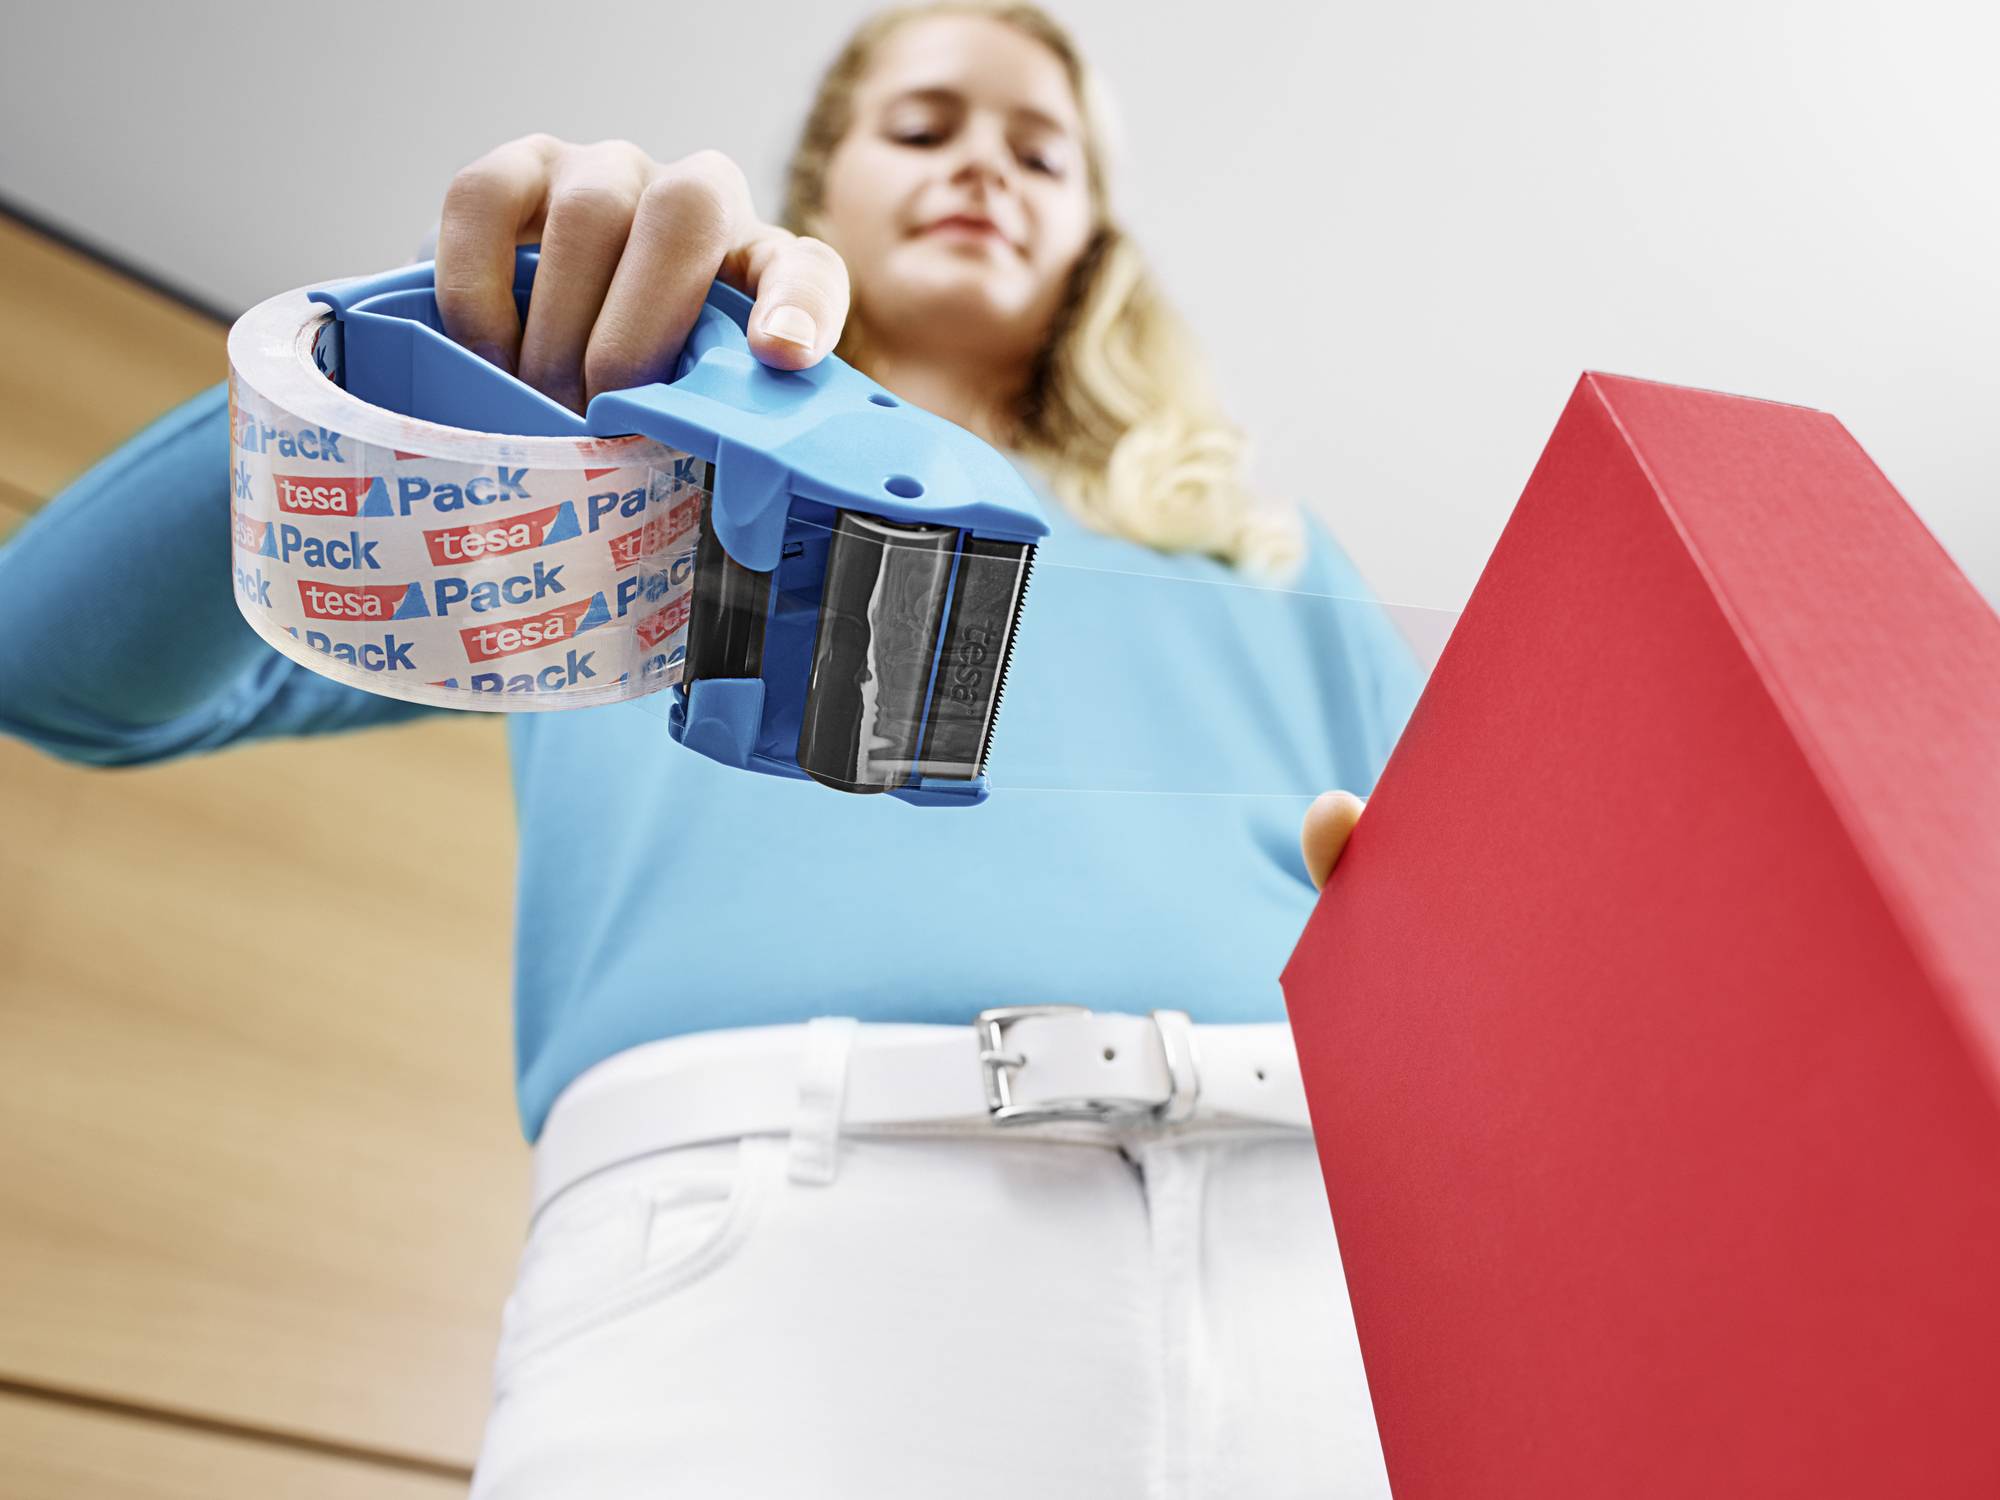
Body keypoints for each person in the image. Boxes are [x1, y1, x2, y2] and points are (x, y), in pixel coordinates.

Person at [0, 3, 1411, 1494]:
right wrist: (431, 358)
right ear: (826, 185)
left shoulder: (1263, 549)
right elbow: (55, 664)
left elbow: (1464, 917)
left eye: (1040, 152)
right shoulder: (614, 489)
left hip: (1316, 1262)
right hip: (776, 1234)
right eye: (924, 128)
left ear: (1094, 238)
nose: (984, 168)